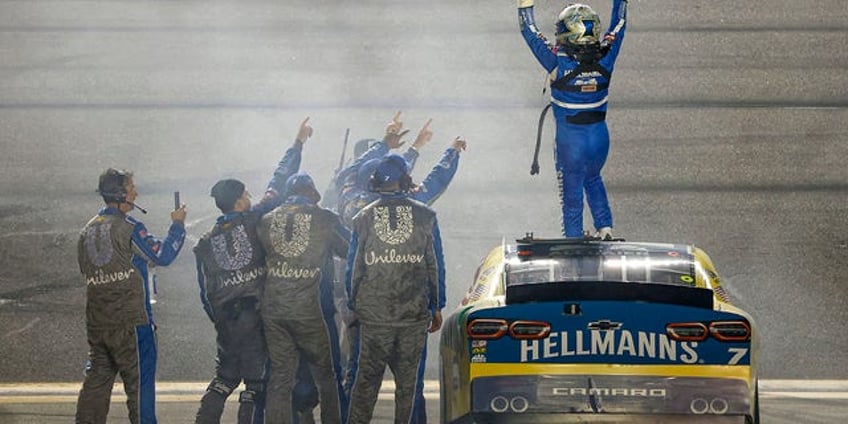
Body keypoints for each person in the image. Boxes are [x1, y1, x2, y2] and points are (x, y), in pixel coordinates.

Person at [193, 118, 312, 424]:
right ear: (239, 200)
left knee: (224, 378)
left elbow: (205, 292)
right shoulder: (255, 219)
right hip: (255, 315)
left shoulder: (204, 244)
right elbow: (279, 180)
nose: (250, 197)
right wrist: (297, 143)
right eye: (246, 194)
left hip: (226, 321)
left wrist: (221, 316)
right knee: (256, 384)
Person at [76, 168, 187, 424]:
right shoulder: (129, 228)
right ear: (121, 194)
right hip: (132, 325)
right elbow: (163, 255)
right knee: (139, 391)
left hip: (98, 323)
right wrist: (177, 225)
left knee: (95, 387)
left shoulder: (87, 231)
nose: (135, 191)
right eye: (131, 187)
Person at [344, 154, 446, 424]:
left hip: (374, 318)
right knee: (407, 387)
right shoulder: (426, 216)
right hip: (412, 316)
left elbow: (354, 269)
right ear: (405, 180)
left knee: (365, 385)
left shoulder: (362, 218)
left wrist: (354, 306)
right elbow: (434, 265)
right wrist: (436, 305)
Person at [518, 0, 628, 239]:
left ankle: (573, 238)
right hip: (600, 139)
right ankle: (606, 228)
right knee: (594, 177)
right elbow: (620, 24)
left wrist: (524, 4)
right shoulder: (607, 56)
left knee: (571, 195)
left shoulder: (557, 61)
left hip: (570, 142)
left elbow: (529, 31)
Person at [257, 172, 350, 424]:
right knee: (326, 376)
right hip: (308, 311)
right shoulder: (324, 219)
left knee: (281, 377)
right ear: (312, 192)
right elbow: (350, 250)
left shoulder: (266, 221)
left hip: (273, 311)